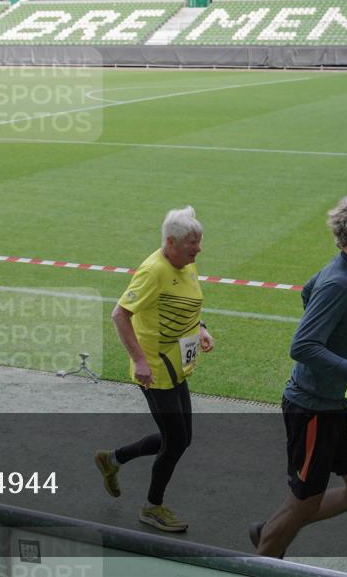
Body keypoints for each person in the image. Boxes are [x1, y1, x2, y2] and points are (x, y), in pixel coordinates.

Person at [252, 192, 347, 558]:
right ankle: (266, 556)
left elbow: (306, 291)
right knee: (304, 503)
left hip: (336, 406)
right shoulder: (340, 283)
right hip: (313, 409)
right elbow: (302, 346)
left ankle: (270, 529)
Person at [94, 206, 214, 533]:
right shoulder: (153, 271)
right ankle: (152, 507)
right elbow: (120, 315)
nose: (199, 248)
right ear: (171, 242)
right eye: (193, 243)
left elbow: (186, 301)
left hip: (178, 365)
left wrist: (201, 327)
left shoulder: (185, 263)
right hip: (157, 371)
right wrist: (139, 360)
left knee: (179, 438)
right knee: (176, 441)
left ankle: (113, 459)